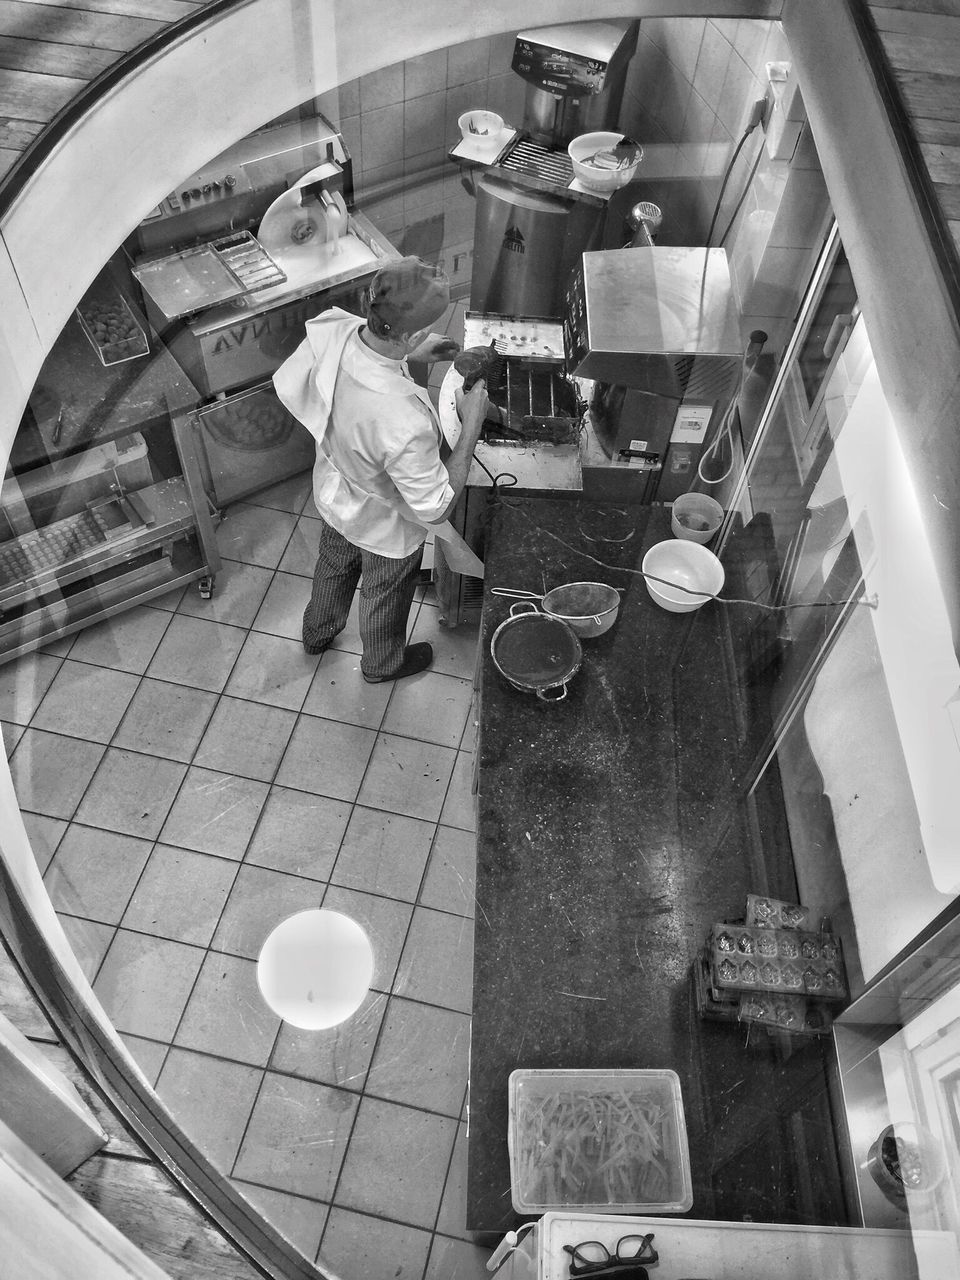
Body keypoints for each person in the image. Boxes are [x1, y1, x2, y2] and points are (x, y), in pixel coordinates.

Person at [273, 256, 489, 683]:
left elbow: (363, 351)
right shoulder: (403, 421)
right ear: (407, 332)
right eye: (423, 330)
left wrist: (411, 353)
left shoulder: (334, 329)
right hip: (386, 525)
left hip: (336, 494)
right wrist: (471, 426)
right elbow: (436, 508)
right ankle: (380, 664)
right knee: (383, 592)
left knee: (334, 567)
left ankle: (317, 633)